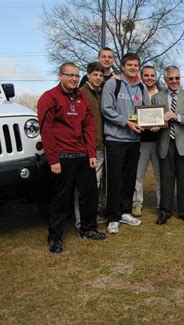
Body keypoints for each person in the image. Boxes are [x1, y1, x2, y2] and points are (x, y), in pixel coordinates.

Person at [37, 62, 106, 253]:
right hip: (62, 156)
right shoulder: (49, 98)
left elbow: (88, 126)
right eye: (70, 75)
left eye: (76, 75)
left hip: (83, 155)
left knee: (89, 194)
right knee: (61, 199)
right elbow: (47, 131)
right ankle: (55, 238)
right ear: (60, 75)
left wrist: (91, 153)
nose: (74, 79)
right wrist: (53, 160)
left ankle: (88, 229)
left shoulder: (81, 97)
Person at [101, 53, 149, 234]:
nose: (133, 68)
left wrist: (149, 124)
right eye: (129, 65)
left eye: (136, 65)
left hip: (134, 140)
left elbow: (145, 110)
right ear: (122, 66)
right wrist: (126, 122)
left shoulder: (141, 87)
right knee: (115, 178)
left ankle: (125, 212)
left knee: (129, 178)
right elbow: (106, 109)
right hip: (115, 139)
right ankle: (113, 216)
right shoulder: (113, 84)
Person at [151, 65, 184, 225]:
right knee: (165, 178)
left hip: (183, 142)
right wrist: (153, 126)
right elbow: (152, 119)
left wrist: (176, 117)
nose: (174, 81)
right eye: (171, 78)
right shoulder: (157, 97)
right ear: (165, 80)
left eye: (177, 78)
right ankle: (165, 211)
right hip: (164, 141)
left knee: (183, 178)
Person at [73, 61, 106, 230]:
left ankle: (91, 217)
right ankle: (81, 222)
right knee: (86, 187)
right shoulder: (81, 94)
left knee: (96, 185)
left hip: (101, 145)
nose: (98, 78)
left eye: (101, 75)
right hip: (88, 147)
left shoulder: (98, 93)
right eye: (95, 75)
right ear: (88, 75)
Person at [132, 65, 161, 217]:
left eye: (152, 75)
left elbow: (168, 115)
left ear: (156, 77)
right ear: (141, 76)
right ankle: (136, 203)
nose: (149, 78)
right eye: (146, 75)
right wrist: (134, 121)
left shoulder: (162, 94)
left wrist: (161, 125)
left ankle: (161, 203)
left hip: (159, 141)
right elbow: (131, 114)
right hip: (141, 140)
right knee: (138, 174)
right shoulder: (135, 92)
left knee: (160, 174)